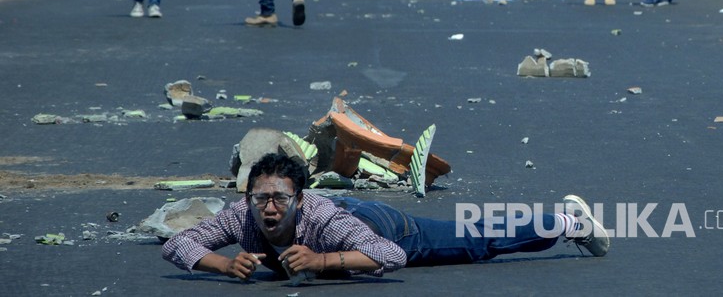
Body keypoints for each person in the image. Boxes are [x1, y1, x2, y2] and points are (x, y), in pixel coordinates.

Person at [162, 153, 610, 283]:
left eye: (281, 199)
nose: (271, 209)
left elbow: (388, 254)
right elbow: (176, 243)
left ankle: (571, 223)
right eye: (262, 200)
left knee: (476, 242)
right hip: (355, 227)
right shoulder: (244, 214)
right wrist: (223, 264)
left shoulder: (324, 221)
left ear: (300, 197)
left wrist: (321, 262)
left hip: (381, 226)